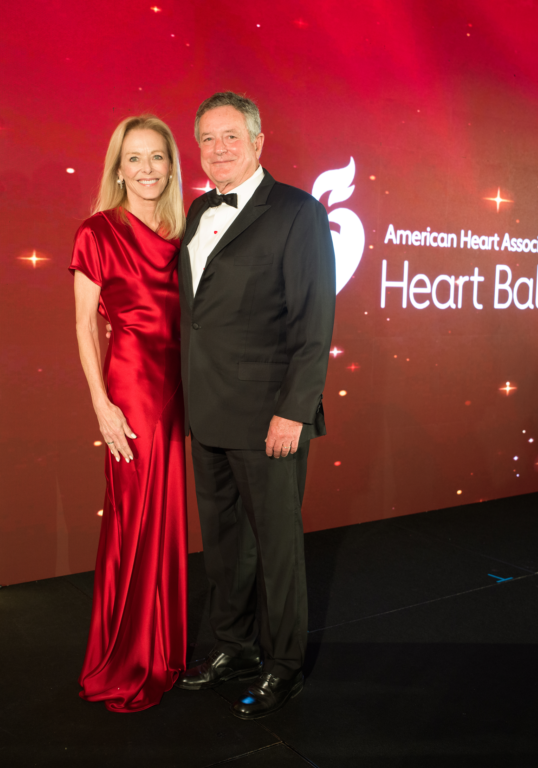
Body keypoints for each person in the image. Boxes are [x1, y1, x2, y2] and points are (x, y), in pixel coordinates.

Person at [175, 92, 336, 719]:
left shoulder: (297, 213)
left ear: (258, 142)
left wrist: (294, 411)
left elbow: (313, 321)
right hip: (206, 411)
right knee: (223, 543)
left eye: (230, 138)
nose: (218, 151)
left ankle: (284, 664)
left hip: (269, 416)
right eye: (207, 140)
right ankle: (232, 647)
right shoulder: (195, 210)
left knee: (276, 547)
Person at [71, 115, 188, 712]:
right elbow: (84, 328)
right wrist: (102, 403)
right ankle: (126, 656)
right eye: (134, 158)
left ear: (171, 164)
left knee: (165, 517)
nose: (146, 169)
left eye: (157, 157)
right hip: (132, 389)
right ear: (118, 168)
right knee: (134, 517)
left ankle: (163, 647)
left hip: (178, 389)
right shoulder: (97, 231)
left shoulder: (183, 231)